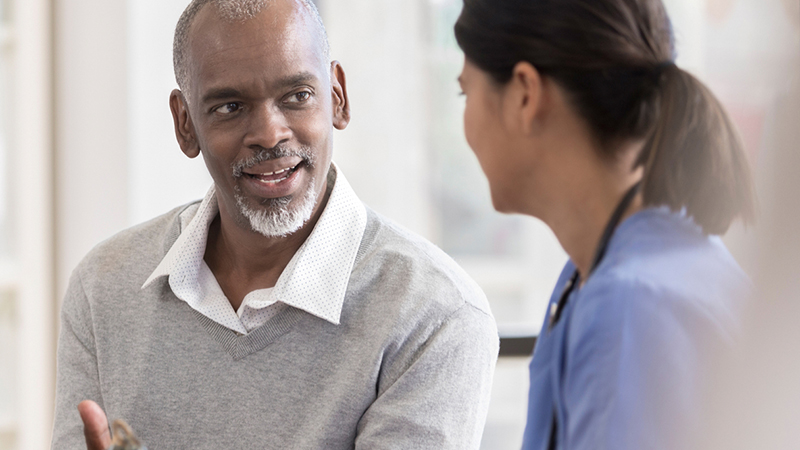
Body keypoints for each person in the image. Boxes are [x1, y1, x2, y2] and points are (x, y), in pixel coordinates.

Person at [50, 0, 499, 448]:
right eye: (230, 106)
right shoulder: (104, 287)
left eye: (297, 96)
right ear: (185, 124)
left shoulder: (434, 314)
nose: (269, 133)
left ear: (337, 96)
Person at [454, 0, 754, 449]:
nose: (466, 122)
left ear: (524, 94)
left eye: (465, 93)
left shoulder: (631, 309)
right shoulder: (603, 275)